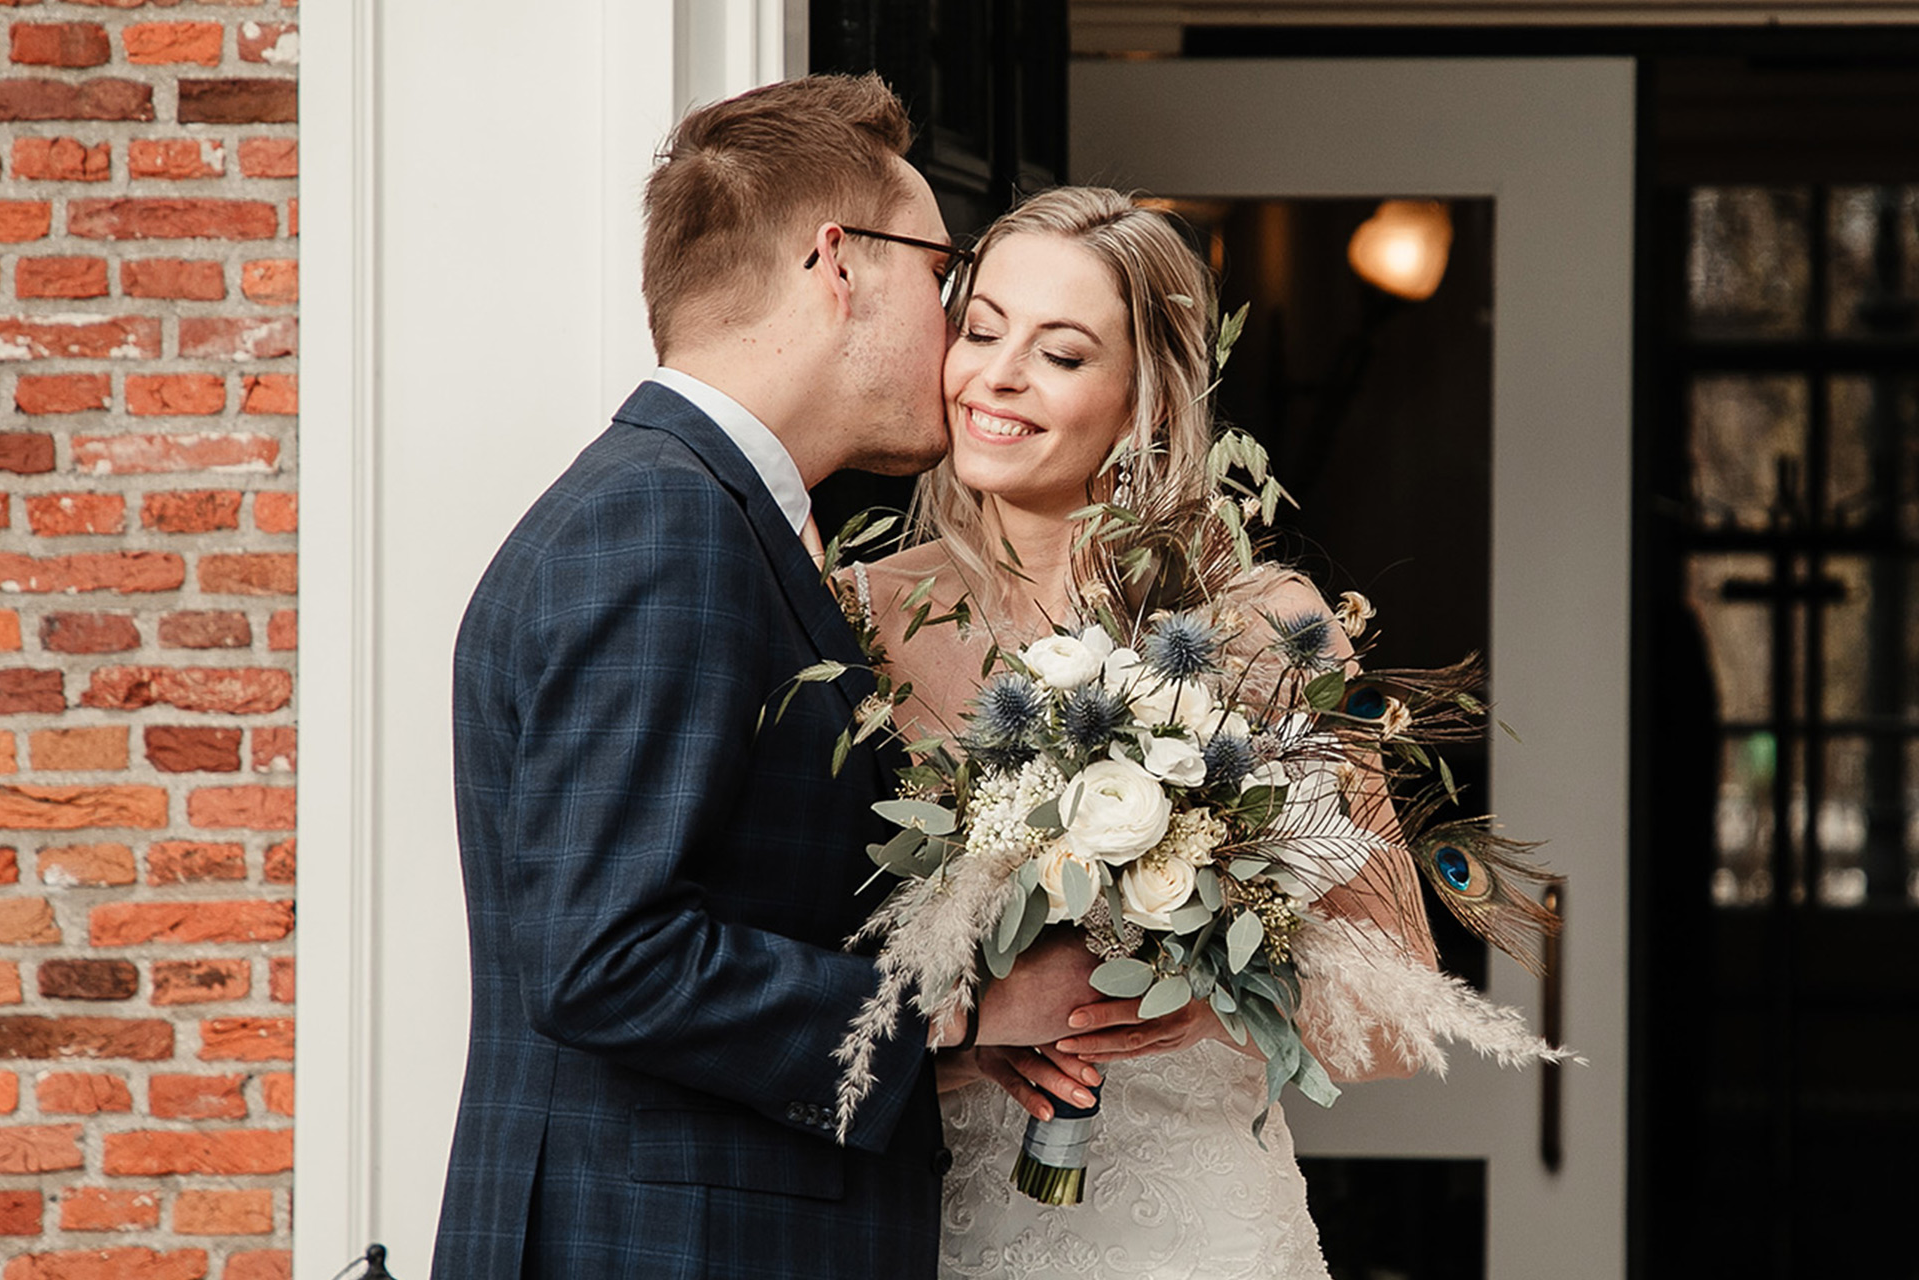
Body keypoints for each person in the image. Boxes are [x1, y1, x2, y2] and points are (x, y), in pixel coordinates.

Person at [433, 76, 1116, 1280]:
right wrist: (954, 1006)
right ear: (838, 263)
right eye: (942, 276)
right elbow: (607, 956)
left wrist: (935, 1055)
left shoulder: (693, 510)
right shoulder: (665, 524)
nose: (956, 327)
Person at [853, 187, 1440, 1279]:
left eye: (1062, 353)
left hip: (1201, 1236)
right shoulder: (850, 620)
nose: (999, 375)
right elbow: (779, 982)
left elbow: (1404, 1007)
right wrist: (974, 1039)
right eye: (981, 330)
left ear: (1144, 402)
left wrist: (1208, 1003)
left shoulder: (1268, 627)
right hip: (938, 1226)